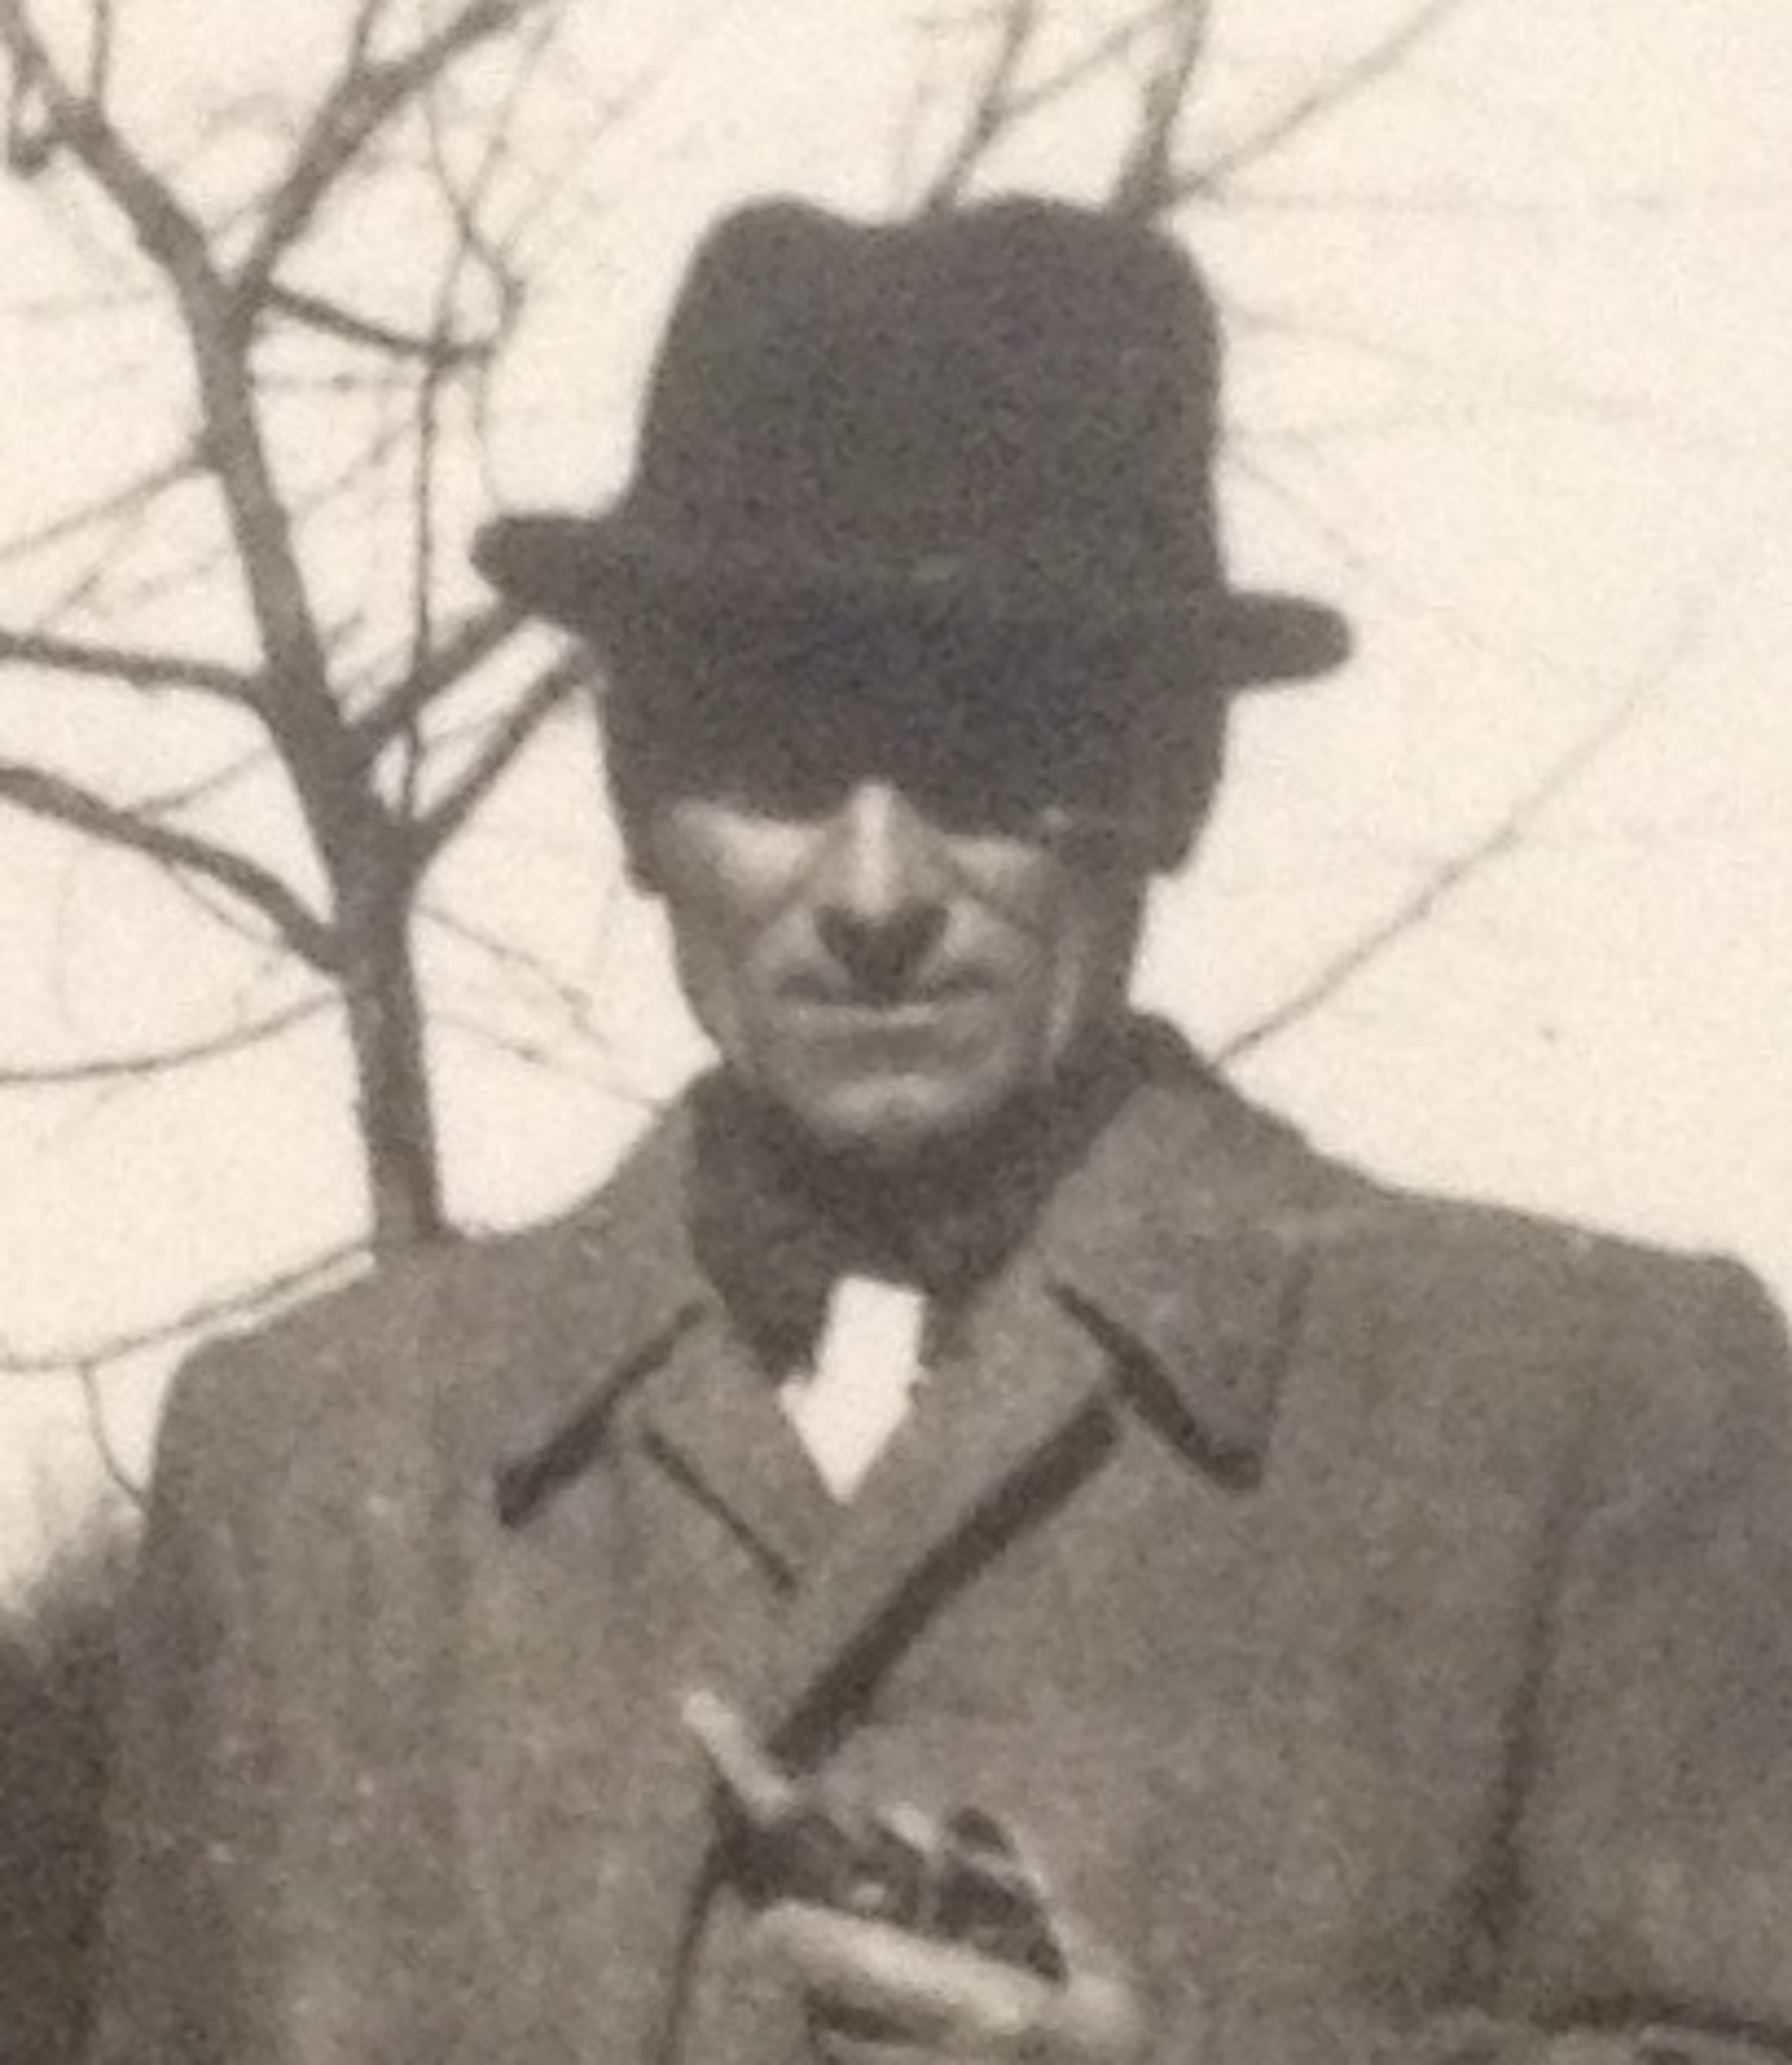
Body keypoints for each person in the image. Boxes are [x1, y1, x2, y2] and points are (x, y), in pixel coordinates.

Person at [89, 200, 1792, 2065]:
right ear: (636, 795)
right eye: (775, 762)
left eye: (986, 759)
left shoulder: (1577, 1415)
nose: (875, 894)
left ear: (1173, 781)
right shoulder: (305, 1469)